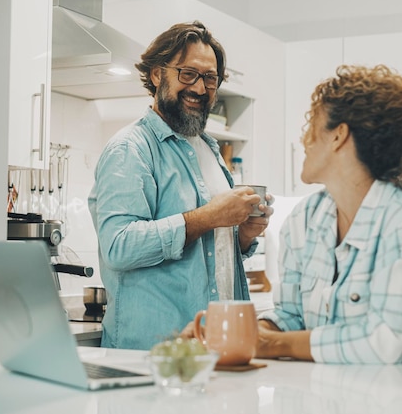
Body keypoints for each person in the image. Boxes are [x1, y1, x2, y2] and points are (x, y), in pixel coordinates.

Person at [255, 65, 402, 412]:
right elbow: (291, 315)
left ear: (338, 135)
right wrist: (251, 332)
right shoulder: (302, 221)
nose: (303, 140)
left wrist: (274, 345)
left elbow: (389, 343)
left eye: (311, 127)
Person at [88, 20, 273, 351]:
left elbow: (210, 255)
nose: (200, 89)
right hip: (152, 354)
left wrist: (242, 236)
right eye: (188, 74)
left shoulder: (209, 148)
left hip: (212, 348)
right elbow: (119, 246)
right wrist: (209, 217)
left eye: (210, 78)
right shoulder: (131, 148)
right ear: (158, 75)